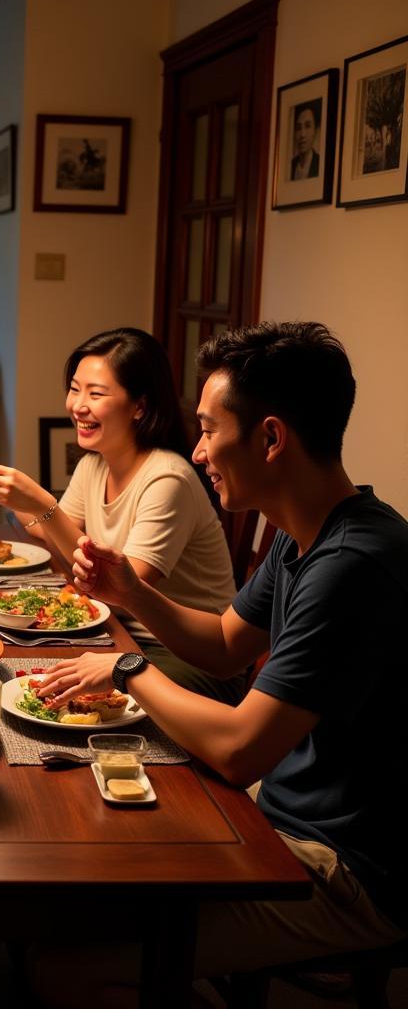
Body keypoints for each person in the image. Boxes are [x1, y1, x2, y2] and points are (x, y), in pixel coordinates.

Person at [32, 322, 408, 1001]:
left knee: (63, 958)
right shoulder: (307, 534)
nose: (198, 449)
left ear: (270, 438)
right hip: (288, 808)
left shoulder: (352, 563)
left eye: (208, 429)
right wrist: (131, 593)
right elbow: (223, 642)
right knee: (75, 861)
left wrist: (127, 670)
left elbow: (239, 752)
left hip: (349, 866)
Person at [0, 327, 240, 703]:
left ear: (139, 407)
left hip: (182, 656)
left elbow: (120, 591)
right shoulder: (95, 462)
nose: (78, 405)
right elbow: (66, 546)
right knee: (13, 668)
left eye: (95, 393)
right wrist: (25, 505)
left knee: (45, 694)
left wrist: (43, 505)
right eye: (75, 388)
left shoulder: (167, 478)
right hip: (117, 636)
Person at [290, 99, 321, 180]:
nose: (302, 134)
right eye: (298, 128)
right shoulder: (290, 166)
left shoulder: (320, 163)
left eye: (307, 126)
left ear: (315, 130)